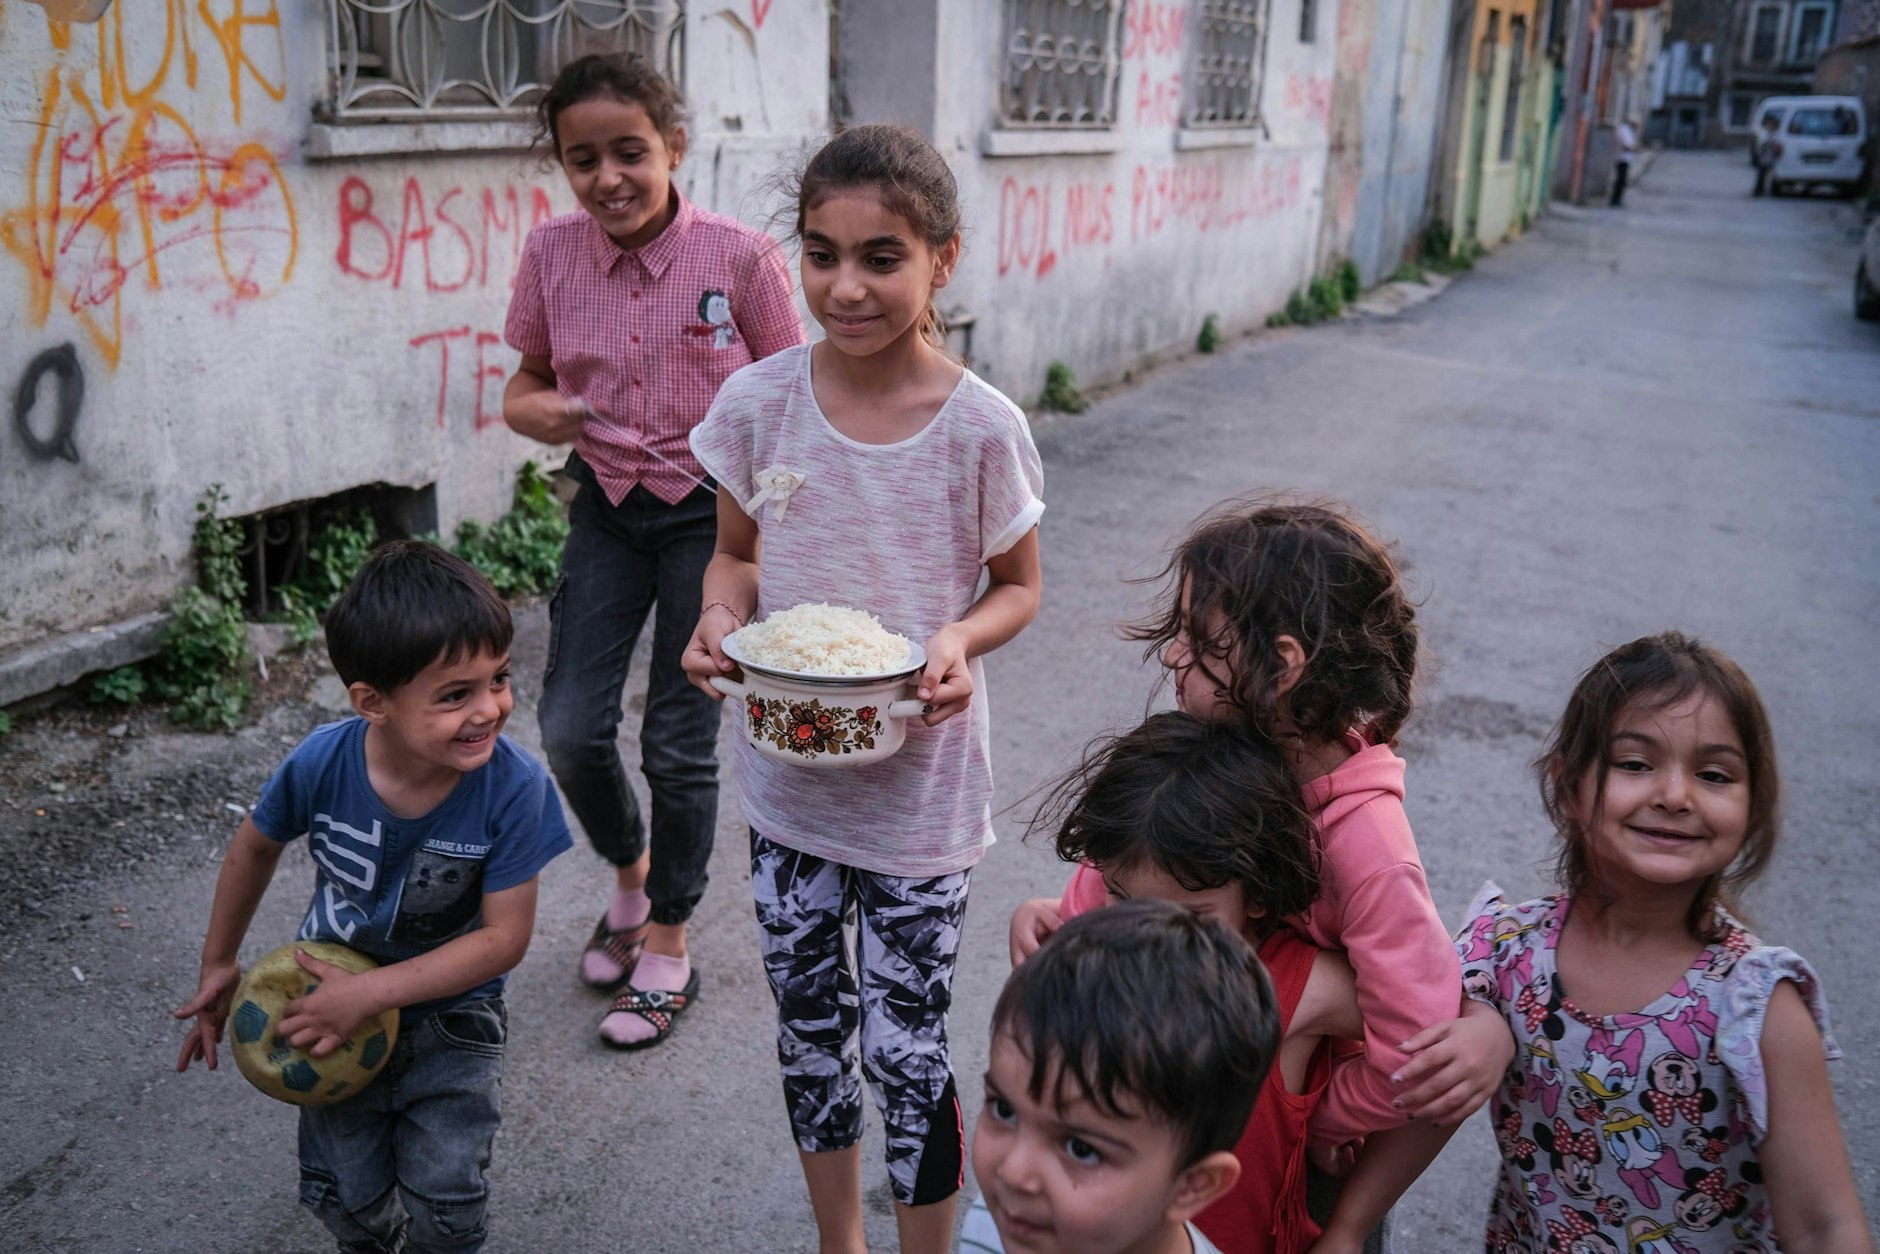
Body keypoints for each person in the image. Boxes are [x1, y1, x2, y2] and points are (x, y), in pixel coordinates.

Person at [682, 124, 1044, 1253]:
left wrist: (956, 639)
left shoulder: (982, 427)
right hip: (788, 781)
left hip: (919, 792)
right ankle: (841, 1239)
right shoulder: (755, 403)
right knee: (807, 1029)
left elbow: (1016, 586)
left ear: (941, 257)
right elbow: (735, 557)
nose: (845, 286)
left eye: (880, 257)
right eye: (820, 252)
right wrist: (716, 616)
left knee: (904, 1044)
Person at [1012, 500, 1508, 1165]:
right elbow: (1125, 864)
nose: (1171, 653)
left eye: (1195, 636)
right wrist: (1065, 927)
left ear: (1283, 663)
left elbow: (1415, 1048)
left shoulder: (1368, 848)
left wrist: (1298, 1117)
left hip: (1272, 1152)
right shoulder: (1218, 748)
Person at [501, 53, 805, 1048]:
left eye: (629, 151)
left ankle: (668, 939)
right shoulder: (551, 255)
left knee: (677, 742)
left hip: (710, 521)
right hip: (605, 512)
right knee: (569, 728)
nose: (607, 177)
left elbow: (797, 393)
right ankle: (629, 880)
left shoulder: (741, 259)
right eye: (580, 158)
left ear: (674, 147)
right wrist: (543, 412)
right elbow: (523, 387)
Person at [172, 541, 572, 1253]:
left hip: (454, 1018)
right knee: (343, 1195)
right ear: (373, 702)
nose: (491, 709)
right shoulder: (322, 762)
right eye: (456, 695)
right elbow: (255, 845)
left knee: (446, 1199)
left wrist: (379, 991)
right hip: (327, 1005)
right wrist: (219, 961)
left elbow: (503, 939)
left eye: (500, 679)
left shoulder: (515, 788)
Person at [1451, 633, 1872, 1252]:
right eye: (1635, 764)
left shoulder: (1757, 1008)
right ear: (1568, 788)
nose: (1675, 796)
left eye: (1713, 774)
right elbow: (1419, 1090)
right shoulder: (1509, 954)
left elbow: (1824, 1224)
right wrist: (1352, 1223)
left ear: (1752, 806)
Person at [1031, 711, 1470, 1253]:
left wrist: (1489, 1030)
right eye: (1121, 898)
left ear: (1258, 895)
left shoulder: (1295, 986)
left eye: (1190, 917)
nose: (1146, 938)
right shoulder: (1097, 952)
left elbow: (1438, 1042)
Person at [960, 900, 1279, 1254]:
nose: (1014, 1173)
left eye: (1081, 1149)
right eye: (1004, 1110)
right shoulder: (995, 1221)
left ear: (1192, 1186)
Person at [1753, 112, 1783, 197]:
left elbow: (1777, 144)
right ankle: (1759, 190)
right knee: (1761, 175)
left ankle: (1774, 190)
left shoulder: (1776, 133)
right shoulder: (1765, 132)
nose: (1769, 125)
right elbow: (1761, 143)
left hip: (1772, 157)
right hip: (1764, 156)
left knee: (1773, 175)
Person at [1610, 118, 1639, 208]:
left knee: (1622, 181)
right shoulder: (1624, 130)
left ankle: (1617, 199)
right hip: (1621, 159)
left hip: (1626, 159)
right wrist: (1632, 148)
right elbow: (1625, 145)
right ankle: (1615, 200)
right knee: (1620, 180)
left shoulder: (1629, 131)